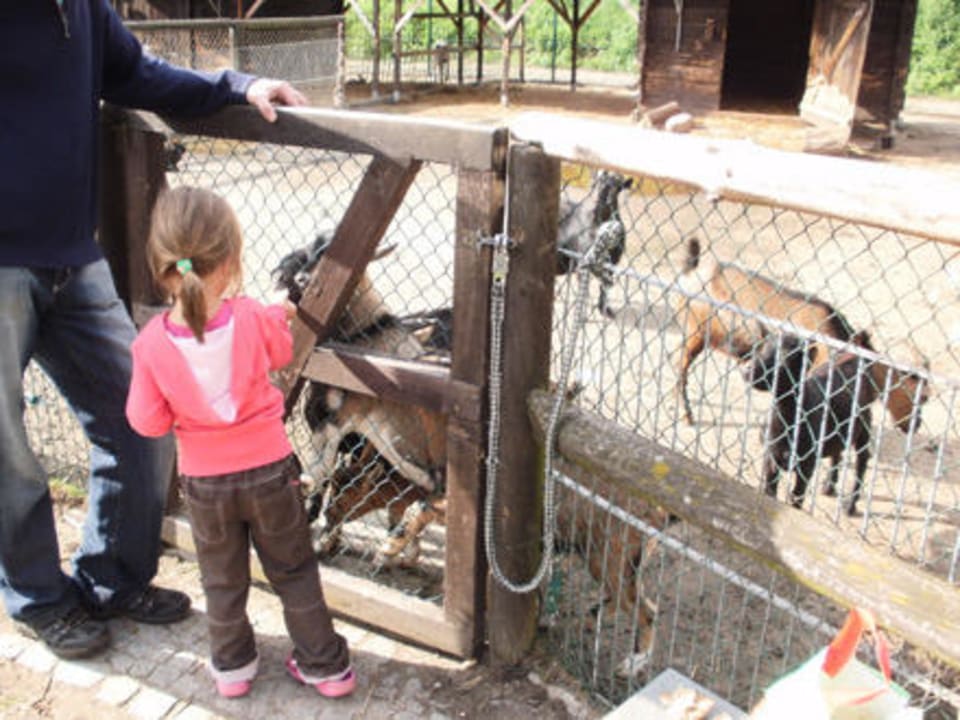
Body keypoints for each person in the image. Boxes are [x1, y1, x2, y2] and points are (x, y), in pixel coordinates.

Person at [0, 2, 307, 660]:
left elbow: (137, 73)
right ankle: (39, 598)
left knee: (140, 418)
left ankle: (113, 577)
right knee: (7, 455)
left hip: (71, 256)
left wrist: (236, 87)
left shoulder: (81, 8)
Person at [126, 186, 355, 700]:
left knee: (221, 578)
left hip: (206, 484)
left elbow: (145, 422)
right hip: (271, 473)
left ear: (161, 264)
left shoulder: (150, 345)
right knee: (293, 570)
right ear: (230, 261)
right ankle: (325, 667)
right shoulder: (251, 316)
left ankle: (232, 668)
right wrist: (279, 313)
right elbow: (278, 352)